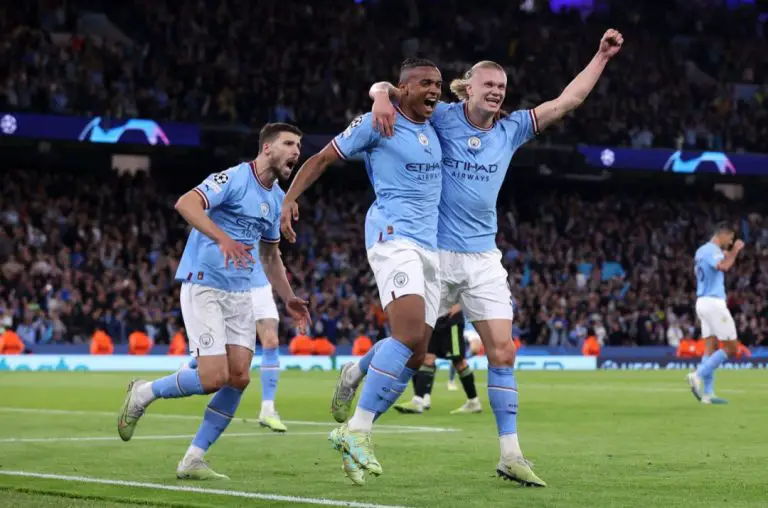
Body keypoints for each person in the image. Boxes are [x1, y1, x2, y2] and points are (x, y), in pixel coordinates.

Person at [364, 29, 625, 487]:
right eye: (489, 85)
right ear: (468, 87)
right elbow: (396, 90)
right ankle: (359, 374)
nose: (497, 92)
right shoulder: (441, 116)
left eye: (502, 87)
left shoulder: (512, 128)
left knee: (503, 351)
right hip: (434, 251)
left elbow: (568, 100)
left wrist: (601, 57)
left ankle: (510, 454)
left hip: (483, 255)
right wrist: (379, 94)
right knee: (412, 351)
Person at [280, 58, 443, 486]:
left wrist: (380, 89)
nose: (434, 90)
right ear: (405, 88)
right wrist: (288, 199)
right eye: (426, 83)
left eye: (438, 84)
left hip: (432, 246)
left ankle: (354, 374)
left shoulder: (436, 123)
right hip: (393, 236)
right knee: (407, 335)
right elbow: (322, 158)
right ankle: (358, 430)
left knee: (416, 352)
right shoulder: (376, 123)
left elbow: (467, 107)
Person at [116, 123, 311, 480]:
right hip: (204, 284)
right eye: (288, 143)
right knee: (213, 377)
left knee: (238, 378)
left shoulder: (275, 199)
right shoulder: (233, 178)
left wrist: (289, 298)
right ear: (267, 148)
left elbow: (270, 256)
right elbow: (186, 203)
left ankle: (193, 458)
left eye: (299, 145)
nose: (296, 151)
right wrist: (222, 238)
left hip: (240, 294)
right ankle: (143, 393)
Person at [687, 223, 745, 405]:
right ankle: (697, 375)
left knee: (710, 347)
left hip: (703, 301)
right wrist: (734, 252)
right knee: (732, 348)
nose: (731, 242)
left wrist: (727, 254)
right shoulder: (712, 250)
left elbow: (715, 263)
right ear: (723, 234)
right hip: (714, 303)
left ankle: (708, 394)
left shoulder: (701, 251)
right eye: (730, 238)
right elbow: (723, 266)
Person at [394, 304, 481, 415]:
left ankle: (473, 402)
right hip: (433, 319)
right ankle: (418, 401)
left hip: (450, 320)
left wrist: (459, 305)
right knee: (427, 358)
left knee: (459, 362)